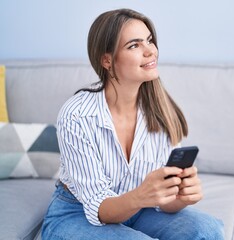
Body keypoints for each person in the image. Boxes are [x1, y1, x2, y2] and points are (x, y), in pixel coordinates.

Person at [41, 8, 224, 240]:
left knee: (208, 230)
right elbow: (99, 208)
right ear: (107, 60)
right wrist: (141, 196)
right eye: (134, 45)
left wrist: (179, 199)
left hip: (139, 208)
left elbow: (160, 201)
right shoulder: (77, 115)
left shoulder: (161, 113)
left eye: (149, 41)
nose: (150, 51)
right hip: (79, 213)